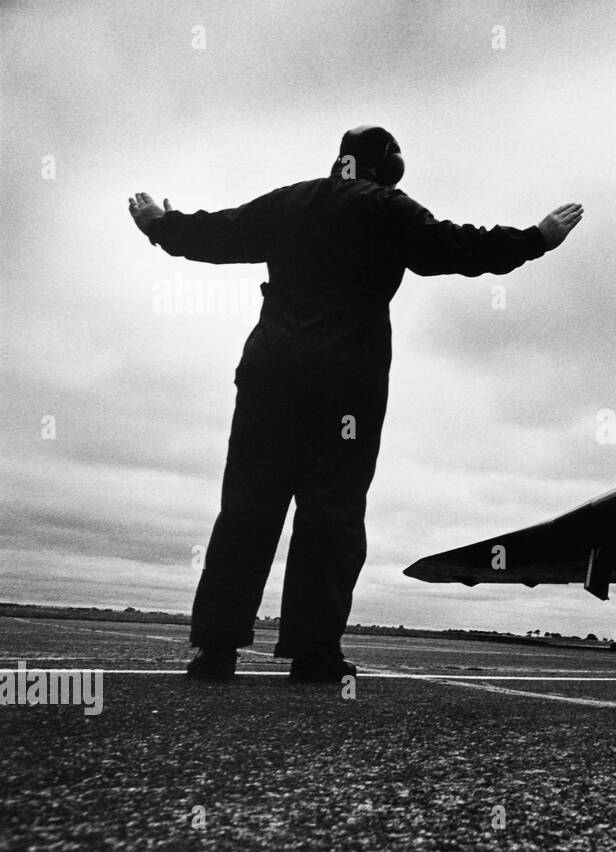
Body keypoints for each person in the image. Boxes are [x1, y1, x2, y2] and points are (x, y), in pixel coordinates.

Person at [127, 125, 583, 682]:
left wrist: (160, 225)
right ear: (387, 163)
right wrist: (537, 237)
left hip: (271, 376)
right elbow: (458, 247)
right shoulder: (387, 208)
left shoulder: (290, 201)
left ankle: (215, 648)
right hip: (346, 385)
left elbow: (216, 234)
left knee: (247, 508)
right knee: (332, 516)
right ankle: (313, 652)